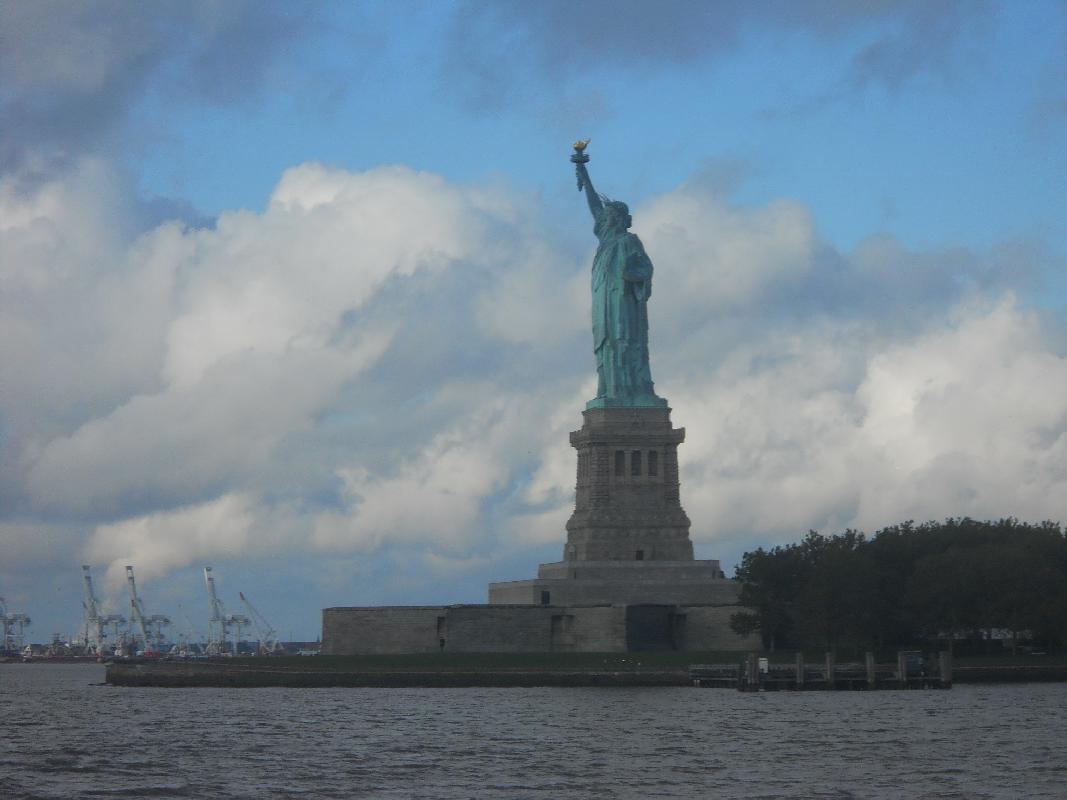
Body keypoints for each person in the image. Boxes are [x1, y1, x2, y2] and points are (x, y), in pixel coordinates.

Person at [574, 158, 665, 408]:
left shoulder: (629, 242)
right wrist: (585, 175)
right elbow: (594, 207)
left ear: (622, 219)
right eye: (607, 216)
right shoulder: (606, 240)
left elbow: (646, 268)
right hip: (604, 303)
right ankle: (610, 389)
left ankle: (633, 388)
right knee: (606, 345)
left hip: (624, 304)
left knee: (626, 342)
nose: (607, 218)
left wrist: (632, 276)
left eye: (612, 216)